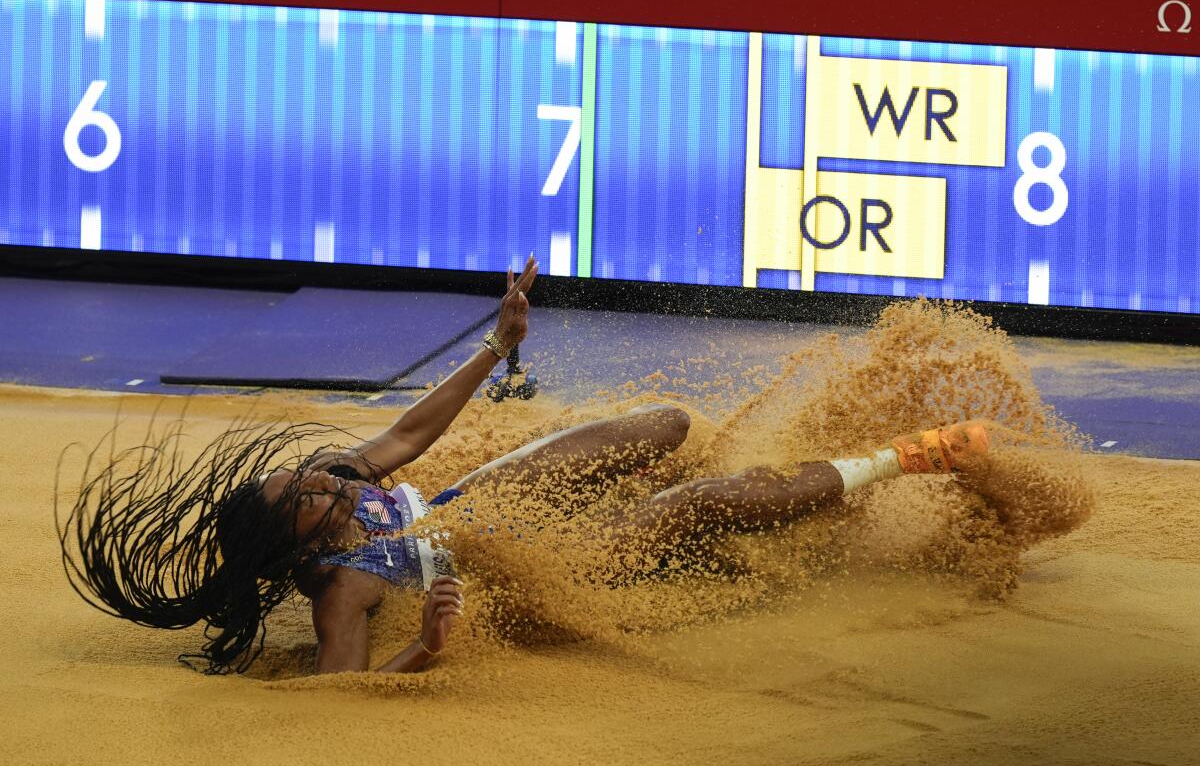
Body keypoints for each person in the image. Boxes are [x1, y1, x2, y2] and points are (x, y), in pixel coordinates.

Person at [58, 255, 1010, 675]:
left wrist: (498, 342)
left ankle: (707, 530)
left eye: (305, 476)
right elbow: (338, 690)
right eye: (304, 496)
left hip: (488, 499)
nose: (320, 481)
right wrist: (426, 647)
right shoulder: (337, 596)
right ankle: (908, 459)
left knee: (665, 425)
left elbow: (409, 440)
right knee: (703, 499)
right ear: (294, 541)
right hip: (525, 564)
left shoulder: (344, 477)